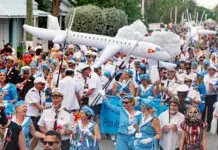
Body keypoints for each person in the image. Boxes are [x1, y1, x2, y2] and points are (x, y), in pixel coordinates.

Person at [25, 77, 46, 150]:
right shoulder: (32, 92)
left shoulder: (42, 92)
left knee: (37, 136)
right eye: (42, 84)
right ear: (36, 84)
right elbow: (38, 106)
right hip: (31, 117)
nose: (43, 86)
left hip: (39, 117)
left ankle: (30, 149)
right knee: (32, 135)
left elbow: (44, 104)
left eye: (44, 84)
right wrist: (49, 111)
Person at [203, 65, 217, 131]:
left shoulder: (217, 78)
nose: (210, 71)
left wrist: (214, 88)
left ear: (214, 71)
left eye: (212, 70)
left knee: (210, 112)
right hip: (204, 95)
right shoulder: (205, 76)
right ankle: (201, 125)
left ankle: (208, 126)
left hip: (212, 96)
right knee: (203, 110)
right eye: (209, 70)